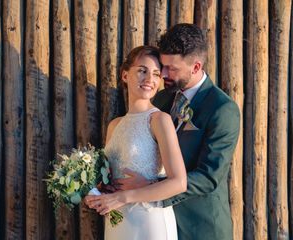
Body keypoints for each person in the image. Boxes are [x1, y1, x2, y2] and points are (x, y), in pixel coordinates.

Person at [110, 23, 241, 240]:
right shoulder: (161, 99)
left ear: (196, 67)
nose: (163, 73)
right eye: (163, 65)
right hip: (155, 222)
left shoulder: (222, 109)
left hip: (200, 226)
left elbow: (209, 177)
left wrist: (151, 186)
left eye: (172, 68)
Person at [85, 46, 187, 240]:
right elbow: (110, 178)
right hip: (118, 220)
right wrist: (96, 192)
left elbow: (179, 183)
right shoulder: (114, 125)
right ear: (125, 75)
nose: (149, 79)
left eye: (156, 74)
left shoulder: (159, 120)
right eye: (142, 71)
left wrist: (121, 197)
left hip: (149, 221)